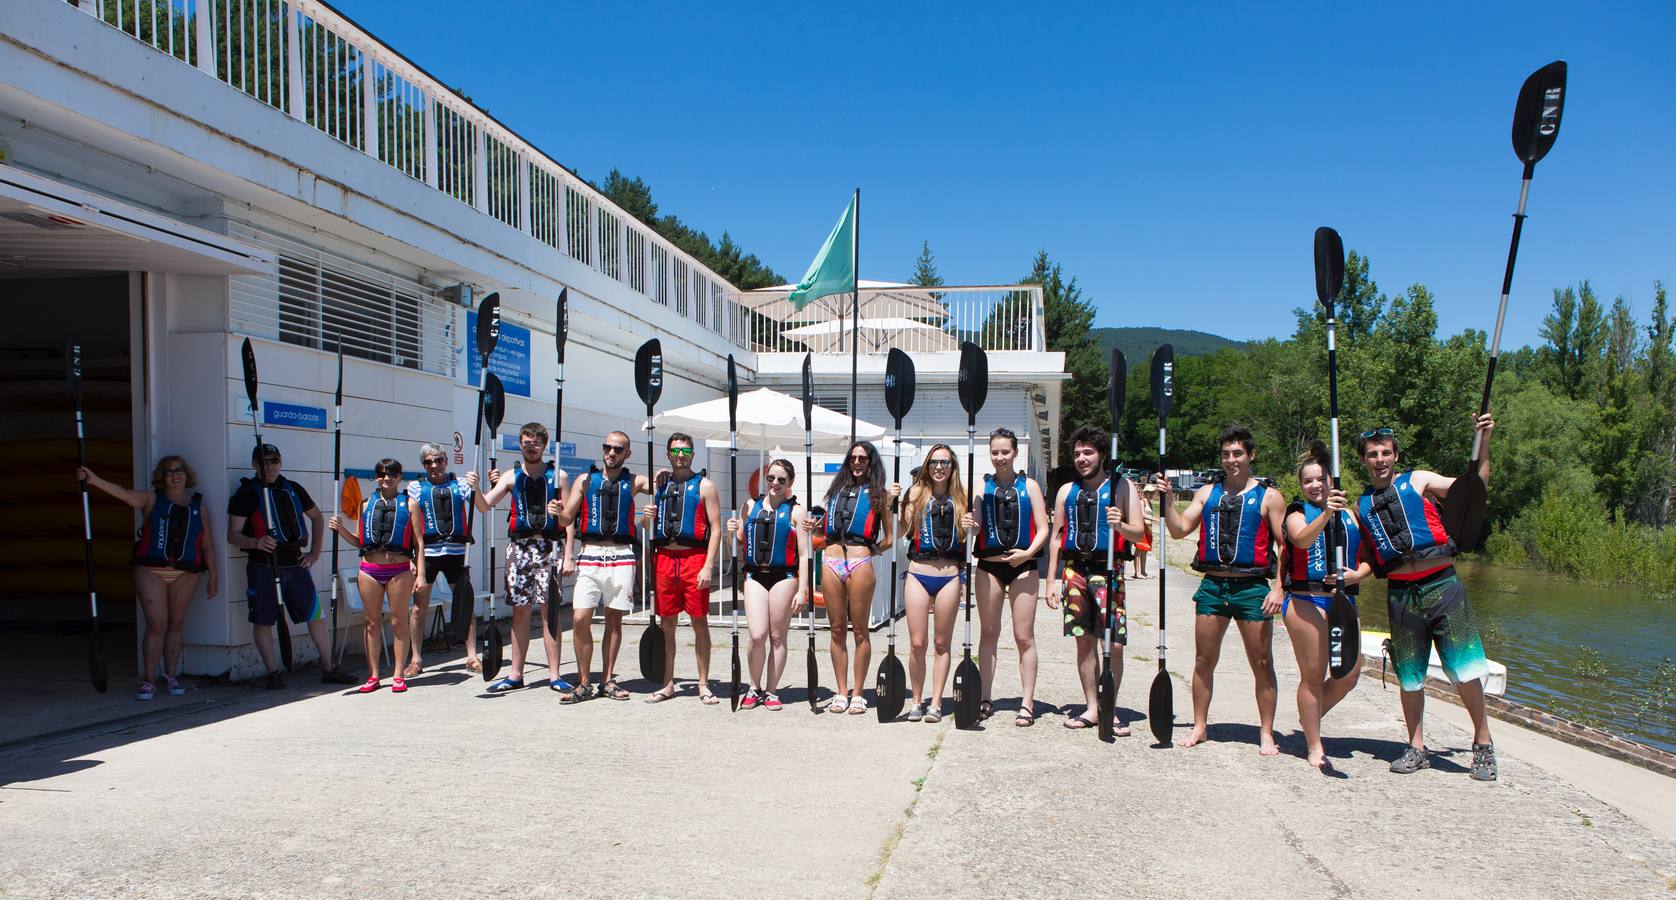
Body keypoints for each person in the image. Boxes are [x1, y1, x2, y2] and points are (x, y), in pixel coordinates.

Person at [1354, 417, 1499, 781]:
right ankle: (1416, 747)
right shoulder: (1362, 505)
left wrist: (1484, 440)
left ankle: (1482, 744)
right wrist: (1354, 575)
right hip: (1402, 594)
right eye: (1373, 454)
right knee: (1410, 677)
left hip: (1442, 585)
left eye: (1386, 452)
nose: (1380, 459)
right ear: (1364, 461)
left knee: (1464, 671)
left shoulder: (1418, 480)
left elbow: (1475, 487)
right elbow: (1370, 556)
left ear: (1396, 455)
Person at [1154, 423, 1286, 753]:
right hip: (1213, 586)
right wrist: (1168, 501)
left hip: (1252, 588)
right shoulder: (1207, 493)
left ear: (1251, 455)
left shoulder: (1269, 496)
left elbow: (1286, 547)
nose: (1231, 459)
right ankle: (1200, 725)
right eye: (1226, 454)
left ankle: (1266, 731)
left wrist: (1279, 588)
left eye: (1238, 453)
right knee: (1203, 660)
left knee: (1263, 663)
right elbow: (1180, 530)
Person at [77, 456, 219, 700]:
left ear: (187, 474)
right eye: (168, 472)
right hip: (151, 570)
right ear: (161, 477)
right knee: (156, 625)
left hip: (185, 572)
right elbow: (123, 493)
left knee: (175, 625)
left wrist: (214, 574)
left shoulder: (199, 505)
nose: (175, 475)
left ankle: (171, 676)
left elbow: (206, 545)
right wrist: (94, 480)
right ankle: (149, 679)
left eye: (179, 470)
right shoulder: (151, 499)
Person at [226, 443, 359, 688]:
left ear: (281, 462)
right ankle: (273, 673)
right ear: (255, 465)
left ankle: (329, 668)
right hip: (263, 566)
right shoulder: (246, 494)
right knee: (264, 620)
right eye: (264, 462)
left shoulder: (294, 488)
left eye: (274, 460)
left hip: (295, 565)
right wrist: (255, 542)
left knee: (314, 615)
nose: (270, 466)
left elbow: (318, 518)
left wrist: (315, 552)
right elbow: (233, 535)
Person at [1045, 426, 1145, 731]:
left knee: (1113, 643)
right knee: (1083, 643)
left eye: (1088, 452)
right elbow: (1056, 537)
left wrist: (1120, 525)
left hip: (1108, 570)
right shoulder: (1066, 491)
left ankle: (1109, 706)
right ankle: (1091, 707)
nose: (1081, 458)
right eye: (1077, 453)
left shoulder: (1122, 487)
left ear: (1102, 455)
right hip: (1075, 571)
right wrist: (1051, 579)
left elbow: (1139, 533)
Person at [1281, 441, 1369, 771]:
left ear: (1332, 480)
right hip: (1305, 598)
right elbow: (1300, 539)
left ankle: (1310, 718)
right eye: (1308, 481)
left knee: (1348, 674)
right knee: (1314, 676)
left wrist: (1355, 573)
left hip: (1342, 599)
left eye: (1321, 479)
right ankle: (1315, 746)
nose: (1315, 485)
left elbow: (1369, 561)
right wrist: (1327, 514)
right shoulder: (1297, 512)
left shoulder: (1352, 516)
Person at [480, 423, 574, 695]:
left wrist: (568, 555)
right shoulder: (510, 477)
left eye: (535, 443)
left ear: (544, 446)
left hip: (550, 548)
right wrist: (478, 487)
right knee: (520, 612)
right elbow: (485, 505)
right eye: (525, 442)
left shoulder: (559, 476)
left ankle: (554, 675)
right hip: (519, 549)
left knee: (550, 612)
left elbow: (568, 520)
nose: (530, 447)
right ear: (520, 445)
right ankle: (516, 674)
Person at [558, 431, 648, 702]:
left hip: (621, 554)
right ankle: (584, 682)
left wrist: (668, 469)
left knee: (614, 619)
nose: (611, 452)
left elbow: (660, 483)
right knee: (580, 618)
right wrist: (556, 511)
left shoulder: (633, 481)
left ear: (627, 454)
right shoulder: (586, 480)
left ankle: (607, 680)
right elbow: (566, 518)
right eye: (607, 447)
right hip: (591, 554)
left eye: (618, 449)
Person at [972, 428, 1050, 726]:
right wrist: (969, 524)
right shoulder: (981, 486)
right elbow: (976, 527)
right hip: (989, 565)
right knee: (988, 634)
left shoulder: (1029, 486)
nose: (1000, 457)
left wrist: (1026, 553)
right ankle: (985, 697)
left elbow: (1043, 528)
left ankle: (1027, 702)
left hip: (1023, 565)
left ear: (1015, 452)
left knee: (1023, 636)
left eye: (1005, 452)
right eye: (995, 452)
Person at [641, 432, 723, 704]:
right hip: (664, 559)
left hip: (694, 559)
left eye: (685, 452)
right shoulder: (660, 485)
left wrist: (708, 565)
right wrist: (646, 518)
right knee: (667, 624)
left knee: (700, 622)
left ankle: (702, 683)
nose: (680, 456)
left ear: (692, 455)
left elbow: (716, 529)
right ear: (668, 454)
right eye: (675, 451)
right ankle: (668, 683)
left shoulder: (705, 486)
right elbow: (647, 527)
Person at [895, 444, 974, 723]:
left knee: (942, 643)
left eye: (944, 462)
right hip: (918, 572)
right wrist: (896, 504)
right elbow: (902, 531)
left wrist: (972, 526)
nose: (939, 467)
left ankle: (936, 702)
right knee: (917, 642)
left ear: (952, 466)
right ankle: (916, 701)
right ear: (927, 466)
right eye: (934, 462)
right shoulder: (916, 493)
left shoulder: (962, 497)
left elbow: (969, 538)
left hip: (949, 575)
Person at [329, 459, 422, 693]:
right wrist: (341, 530)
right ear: (376, 477)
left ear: (400, 477)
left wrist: (420, 574)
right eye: (381, 474)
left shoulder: (410, 504)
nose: (386, 478)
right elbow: (360, 541)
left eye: (391, 474)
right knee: (371, 623)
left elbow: (419, 544)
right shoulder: (365, 503)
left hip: (399, 570)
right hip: (369, 570)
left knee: (398, 621)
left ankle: (399, 674)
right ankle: (373, 675)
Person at [725, 458, 810, 710]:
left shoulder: (797, 511)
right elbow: (739, 539)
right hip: (754, 575)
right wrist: (732, 530)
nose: (775, 483)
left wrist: (803, 589)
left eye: (781, 480)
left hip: (784, 577)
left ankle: (771, 691)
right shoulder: (749, 506)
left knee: (776, 636)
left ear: (790, 483)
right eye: (771, 478)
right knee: (757, 634)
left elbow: (805, 554)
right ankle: (754, 686)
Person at [816, 440, 892, 714]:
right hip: (831, 560)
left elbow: (890, 538)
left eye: (863, 458)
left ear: (871, 462)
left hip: (860, 562)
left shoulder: (879, 495)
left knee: (860, 630)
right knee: (836, 629)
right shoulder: (836, 491)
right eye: (853, 458)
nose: (858, 463)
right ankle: (841, 691)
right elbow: (824, 530)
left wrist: (871, 550)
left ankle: (858, 693)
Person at [406, 443, 484, 673]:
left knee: (465, 604)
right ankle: (416, 660)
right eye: (428, 462)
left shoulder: (460, 484)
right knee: (419, 608)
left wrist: (476, 487)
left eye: (438, 460)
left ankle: (472, 657)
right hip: (426, 554)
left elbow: (482, 507)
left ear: (446, 461)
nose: (434, 466)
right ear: (424, 465)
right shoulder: (415, 488)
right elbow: (409, 525)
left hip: (457, 552)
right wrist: (411, 558)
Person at [1131, 485, 1156, 579]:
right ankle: (1137, 573)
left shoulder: (1150, 503)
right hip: (1142, 528)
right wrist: (1155, 519)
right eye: (1148, 492)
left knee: (1145, 551)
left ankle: (1143, 571)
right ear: (1145, 492)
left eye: (1152, 493)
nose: (1150, 494)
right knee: (1139, 550)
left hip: (1149, 529)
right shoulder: (1142, 502)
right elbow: (1142, 514)